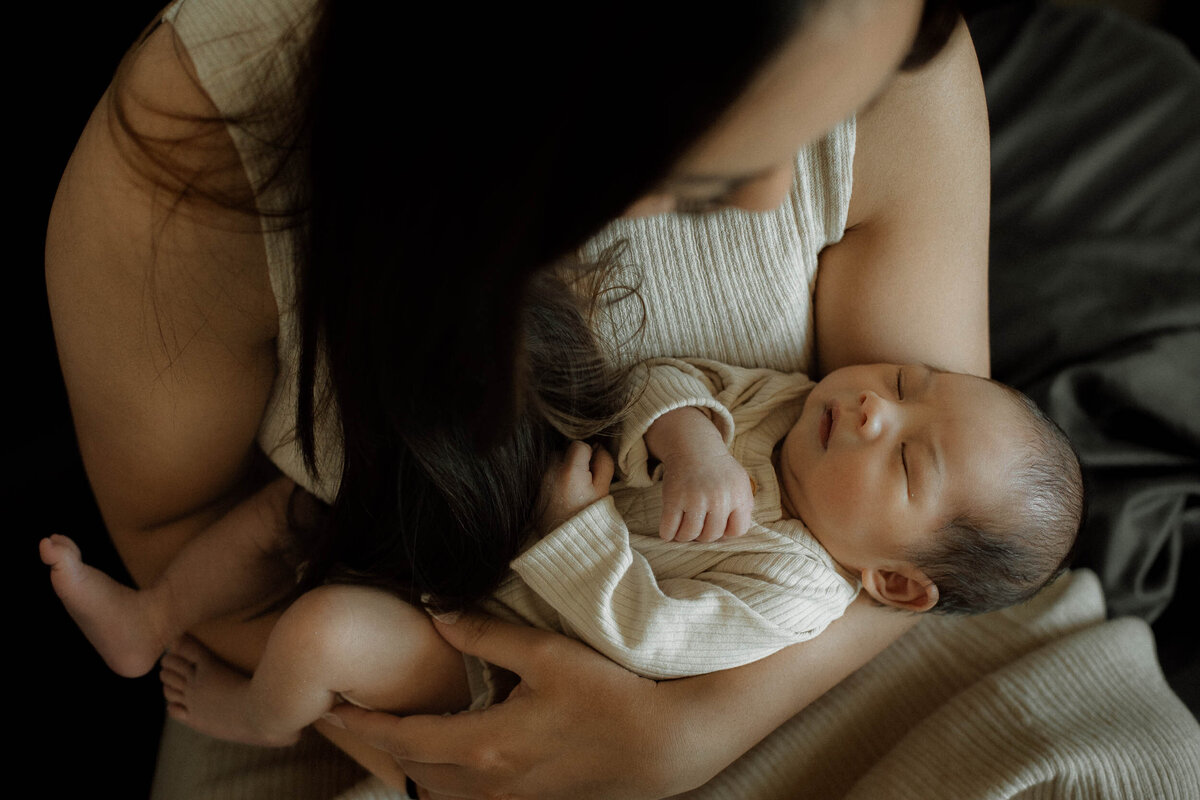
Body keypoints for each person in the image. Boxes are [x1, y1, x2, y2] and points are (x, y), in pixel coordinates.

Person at [44, 0, 988, 796]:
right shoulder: (209, 133)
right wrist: (409, 735)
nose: (773, 193)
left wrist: (687, 735)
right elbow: (172, 514)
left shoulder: (887, 30)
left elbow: (944, 537)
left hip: (823, 667)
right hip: (383, 634)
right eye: (724, 139)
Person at [41, 353, 1079, 763]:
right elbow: (666, 375)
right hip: (475, 518)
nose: (872, 404)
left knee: (324, 633)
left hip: (495, 651)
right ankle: (152, 613)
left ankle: (251, 714)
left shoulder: (793, 589)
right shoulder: (782, 414)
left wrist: (571, 532)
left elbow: (654, 639)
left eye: (906, 454)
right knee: (311, 494)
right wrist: (692, 434)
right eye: (908, 378)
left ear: (891, 581)